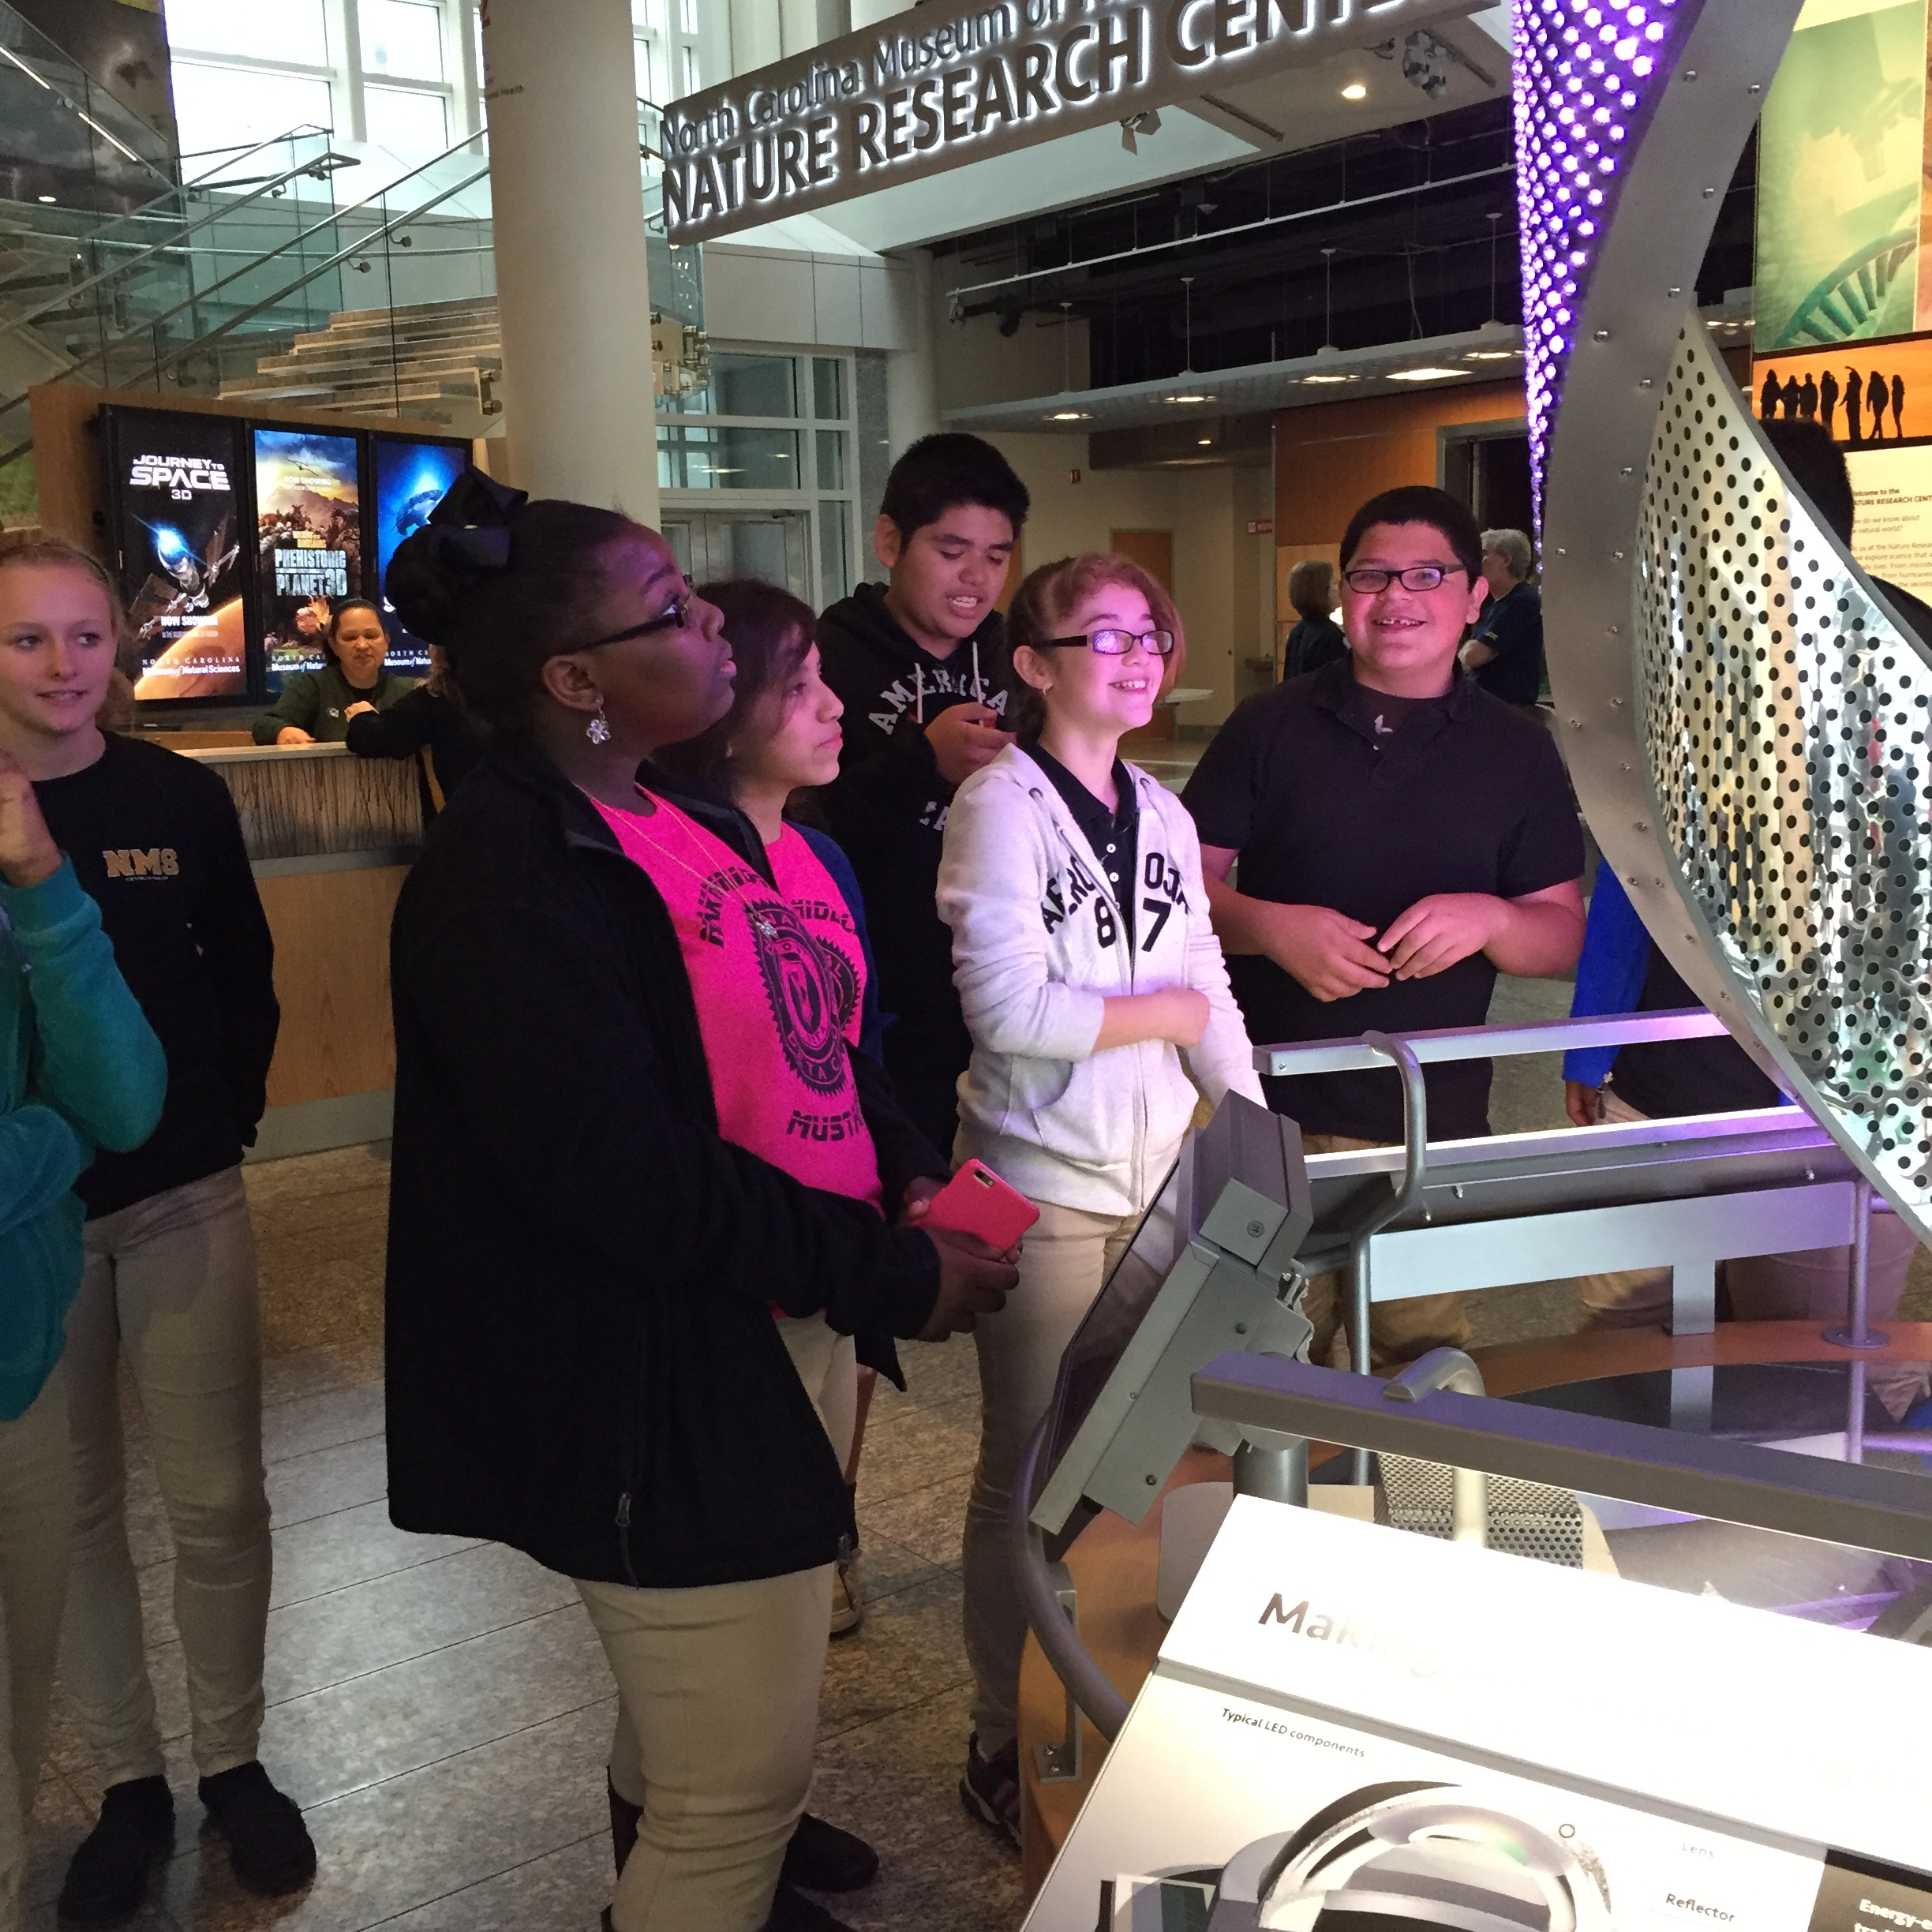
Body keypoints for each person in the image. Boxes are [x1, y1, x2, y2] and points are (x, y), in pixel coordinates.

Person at [380, 474, 1017, 1932]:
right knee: (732, 1784)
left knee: (714, 1725)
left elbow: (795, 1074)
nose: (710, 631)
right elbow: (626, 1168)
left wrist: (881, 1213)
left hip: (717, 1332)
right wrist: (884, 1272)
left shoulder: (622, 820)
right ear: (574, 678)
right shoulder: (514, 862)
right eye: (666, 611)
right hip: (635, 1370)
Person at [0, 540, 304, 1925]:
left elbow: (242, 974)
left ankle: (232, 1757)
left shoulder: (174, 797)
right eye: (27, 641)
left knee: (217, 1498)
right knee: (72, 1513)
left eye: (85, 638)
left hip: (183, 1192)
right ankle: (128, 1779)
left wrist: (221, 1120)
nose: (66, 668)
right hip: (28, 1223)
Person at [937, 552, 1262, 1846]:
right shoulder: (998, 804)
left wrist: (1246, 1119)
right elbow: (1009, 1011)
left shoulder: (1163, 809)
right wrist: (1169, 1014)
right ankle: (998, 1731)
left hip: (1160, 1173)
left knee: (1143, 1456)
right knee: (1025, 1465)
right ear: (1031, 664)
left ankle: (1116, 1693)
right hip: (1037, 1180)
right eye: (1103, 638)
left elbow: (1206, 980)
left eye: (1151, 637)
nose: (1136, 659)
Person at [1182, 485, 1586, 1369]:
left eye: (1426, 576)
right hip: (1257, 1102)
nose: (1396, 597)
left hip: (1422, 1118)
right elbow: (1177, 891)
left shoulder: (1517, 750)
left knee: (1416, 1356)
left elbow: (1561, 937)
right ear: (1344, 595)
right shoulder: (1269, 726)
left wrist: (1491, 917)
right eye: (1371, 576)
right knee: (1242, 1362)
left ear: (1476, 596)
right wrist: (1268, 927)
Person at [655, 577, 900, 1642]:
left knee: (806, 1537)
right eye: (799, 688)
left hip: (833, 1246)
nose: (834, 706)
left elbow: (856, 1049)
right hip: (730, 1258)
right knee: (736, 1592)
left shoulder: (823, 855)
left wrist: (912, 1176)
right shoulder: (653, 853)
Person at [0, 717, 165, 1932]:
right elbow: (85, 1121)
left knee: (14, 1734)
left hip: (21, 1359)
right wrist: (51, 1142)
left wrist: (45, 884)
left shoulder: (23, 883)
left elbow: (128, 1093)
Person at [814, 432, 1030, 1158]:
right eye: (950, 550)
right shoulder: (827, 659)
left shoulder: (1019, 658)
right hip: (879, 989)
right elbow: (802, 829)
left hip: (1003, 987)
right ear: (889, 541)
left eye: (997, 557)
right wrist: (919, 758)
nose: (975, 577)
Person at [343, 642, 486, 818]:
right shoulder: (521, 693)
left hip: (469, 825)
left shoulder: (437, 698)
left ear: (438, 654)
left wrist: (361, 716)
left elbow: (373, 737)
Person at [250, 597, 417, 746]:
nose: (362, 646)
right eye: (350, 638)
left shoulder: (407, 690)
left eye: (371, 636)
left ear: (386, 642)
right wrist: (283, 731)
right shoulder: (315, 686)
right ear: (334, 645)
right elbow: (265, 724)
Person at [1460, 527, 1544, 710]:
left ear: (1506, 560)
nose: (1477, 561)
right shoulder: (1497, 604)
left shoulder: (1521, 602)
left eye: (1484, 554)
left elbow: (1473, 656)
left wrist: (1468, 651)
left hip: (1506, 712)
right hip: (1488, 708)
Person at [1281, 559, 1349, 680]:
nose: (1338, 588)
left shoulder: (1297, 631)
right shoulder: (1329, 635)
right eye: (1333, 583)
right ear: (1321, 591)